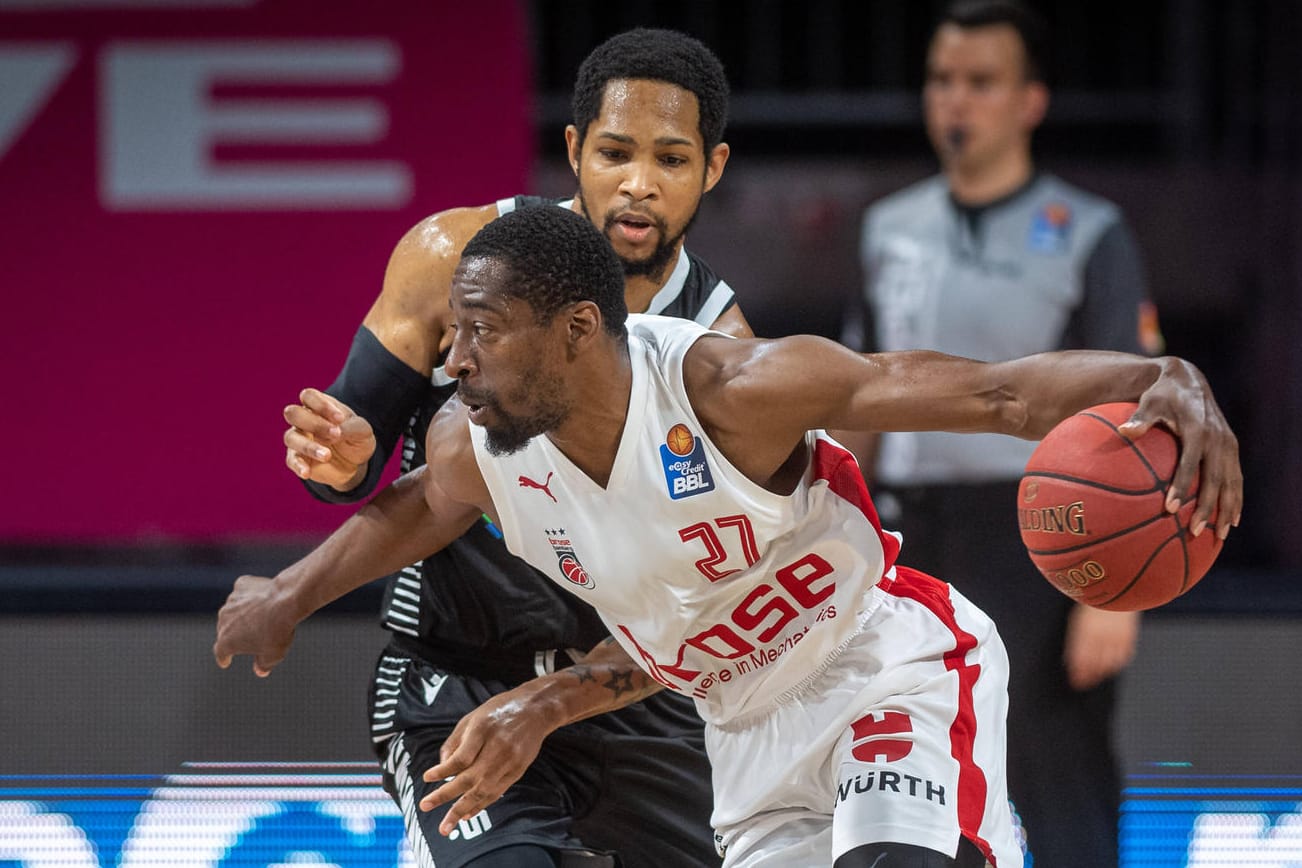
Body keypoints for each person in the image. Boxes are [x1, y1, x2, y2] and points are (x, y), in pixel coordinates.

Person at [216, 205, 1242, 868]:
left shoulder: (727, 391)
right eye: (456, 334)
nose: (459, 357)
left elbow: (997, 391)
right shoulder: (472, 450)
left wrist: (1169, 381)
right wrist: (286, 598)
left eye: (484, 332)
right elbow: (413, 517)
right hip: (746, 742)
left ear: (576, 328)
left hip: (882, 663)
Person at [229, 28, 749, 868]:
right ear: (576, 149)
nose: (639, 185)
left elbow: (711, 607)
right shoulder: (453, 258)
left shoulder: (719, 349)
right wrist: (339, 465)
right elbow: (364, 463)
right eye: (615, 153)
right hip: (455, 678)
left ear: (712, 169)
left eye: (671, 160)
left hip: (626, 687)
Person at [838, 2, 1164, 864]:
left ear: (1030, 101)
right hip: (910, 531)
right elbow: (858, 396)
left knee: (1057, 776)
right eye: (942, 80)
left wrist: (1110, 597)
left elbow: (1134, 403)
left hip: (1047, 531)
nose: (957, 100)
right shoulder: (887, 227)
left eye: (981, 83)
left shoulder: (1089, 230)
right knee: (914, 776)